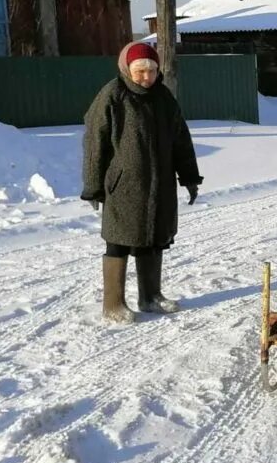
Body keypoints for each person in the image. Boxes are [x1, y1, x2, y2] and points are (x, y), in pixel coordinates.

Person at [82, 42, 202, 324]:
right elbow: (94, 144)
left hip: (159, 184)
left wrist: (189, 176)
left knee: (153, 239)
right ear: (127, 69)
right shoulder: (113, 95)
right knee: (119, 241)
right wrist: (93, 186)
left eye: (151, 71)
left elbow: (180, 140)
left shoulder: (163, 97)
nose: (146, 77)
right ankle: (113, 304)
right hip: (123, 186)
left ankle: (151, 296)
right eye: (140, 71)